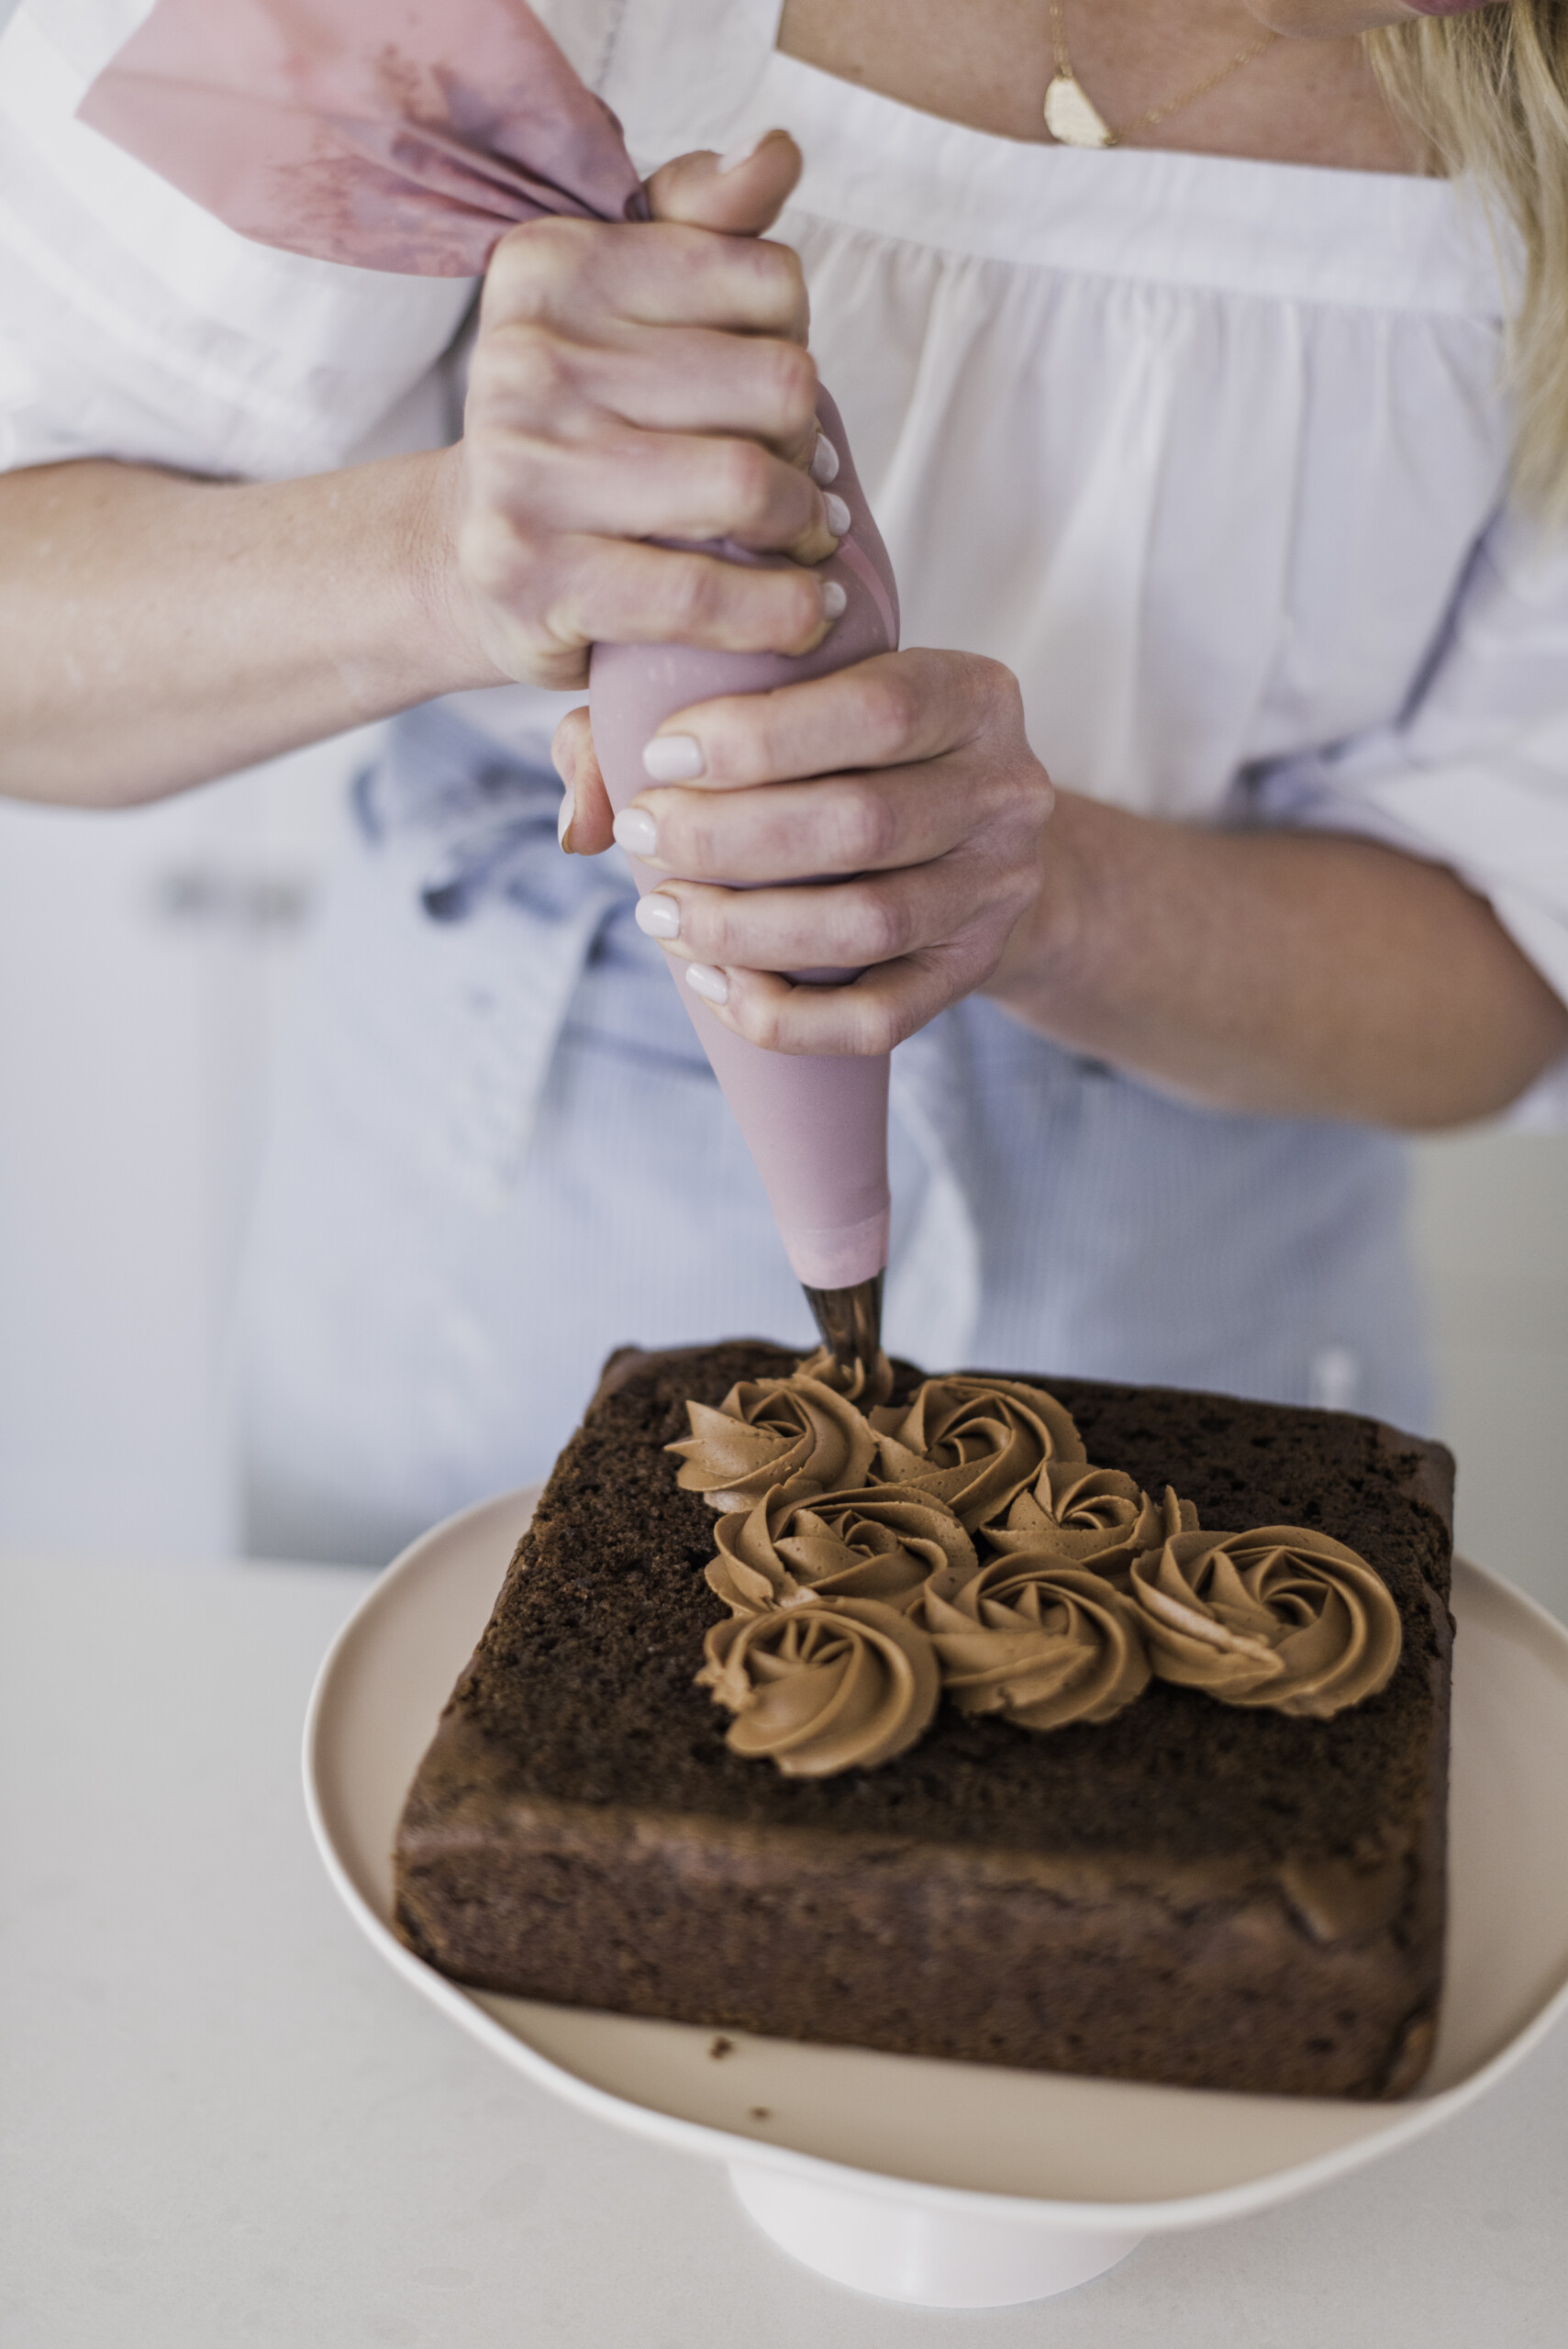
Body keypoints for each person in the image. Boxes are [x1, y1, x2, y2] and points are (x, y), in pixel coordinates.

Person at [4, 0, 1567, 1563]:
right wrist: (450, 560)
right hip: (481, 1349)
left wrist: (1042, 895)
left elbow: (1512, 977)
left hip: (1211, 1352)